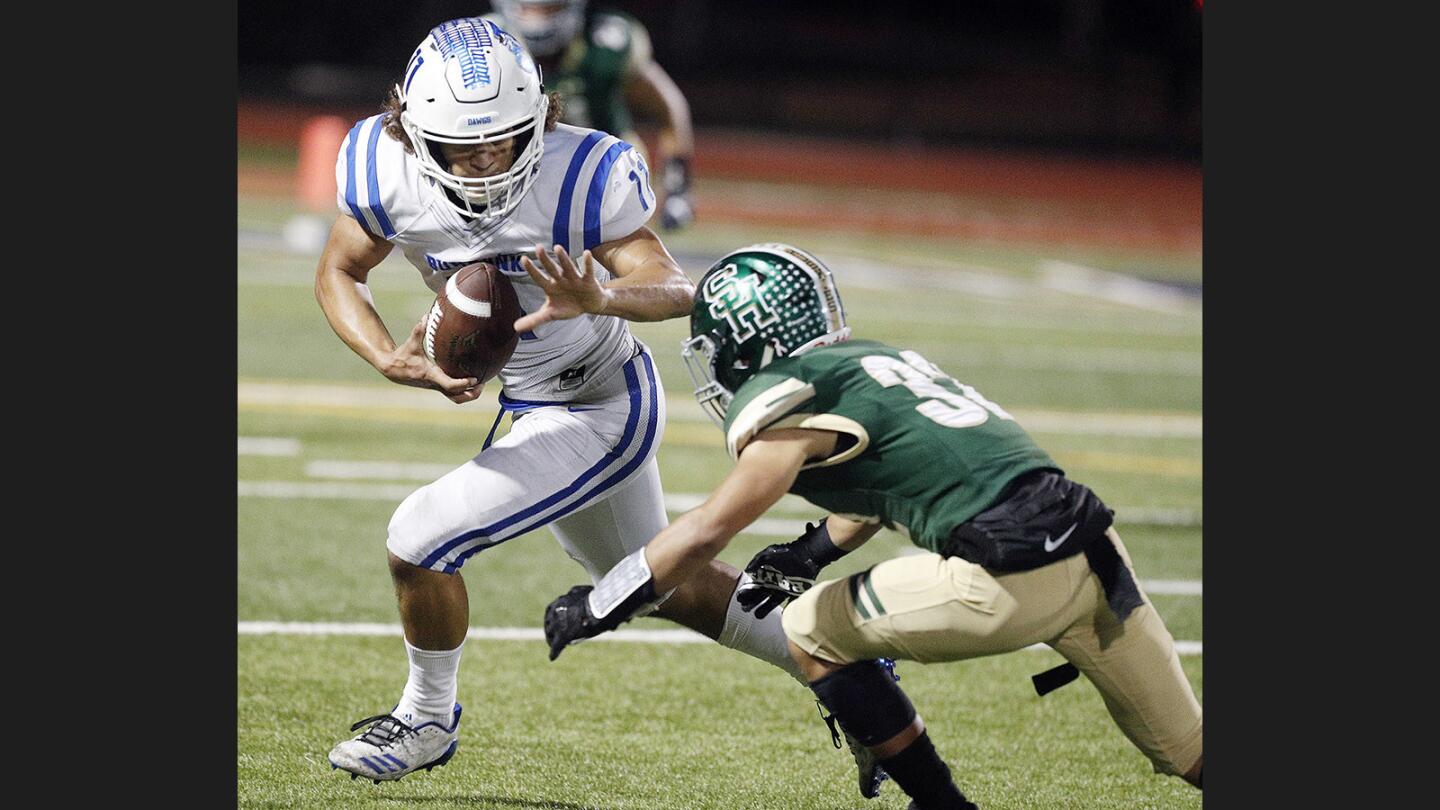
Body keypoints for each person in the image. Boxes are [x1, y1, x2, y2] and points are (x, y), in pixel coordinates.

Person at [316, 19, 866, 786]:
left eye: (502, 141)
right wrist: (384, 354)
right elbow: (341, 270)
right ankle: (848, 671)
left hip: (602, 404)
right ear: (412, 131)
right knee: (661, 584)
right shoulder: (382, 167)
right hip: (534, 401)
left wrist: (600, 293)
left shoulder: (585, 172)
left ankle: (426, 719)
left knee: (419, 538)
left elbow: (678, 285)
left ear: (539, 118)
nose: (482, 165)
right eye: (460, 148)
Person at [543, 244, 1204, 808]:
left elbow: (710, 530)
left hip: (1013, 572)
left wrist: (606, 599)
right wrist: (813, 550)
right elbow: (889, 478)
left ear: (747, 341)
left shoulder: (788, 398)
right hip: (1094, 552)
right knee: (1192, 753)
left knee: (809, 632)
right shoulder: (872, 363)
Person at [484, 0, 695, 230]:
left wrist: (677, 188)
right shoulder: (488, 42)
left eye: (548, 7)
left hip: (607, 168)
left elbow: (666, 107)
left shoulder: (606, 40)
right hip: (523, 168)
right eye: (531, 6)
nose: (538, 17)